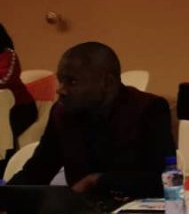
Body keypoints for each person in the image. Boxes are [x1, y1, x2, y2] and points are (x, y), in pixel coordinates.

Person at [7, 42, 175, 198]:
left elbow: (165, 180)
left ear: (107, 83)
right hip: (82, 213)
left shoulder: (148, 109)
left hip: (138, 209)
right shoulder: (62, 113)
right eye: (61, 80)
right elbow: (38, 170)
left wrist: (98, 180)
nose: (61, 90)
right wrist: (6, 195)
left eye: (72, 82)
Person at [0, 23, 38, 160]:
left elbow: (4, 79)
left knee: (4, 133)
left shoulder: (8, 54)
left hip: (21, 109)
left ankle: (5, 169)